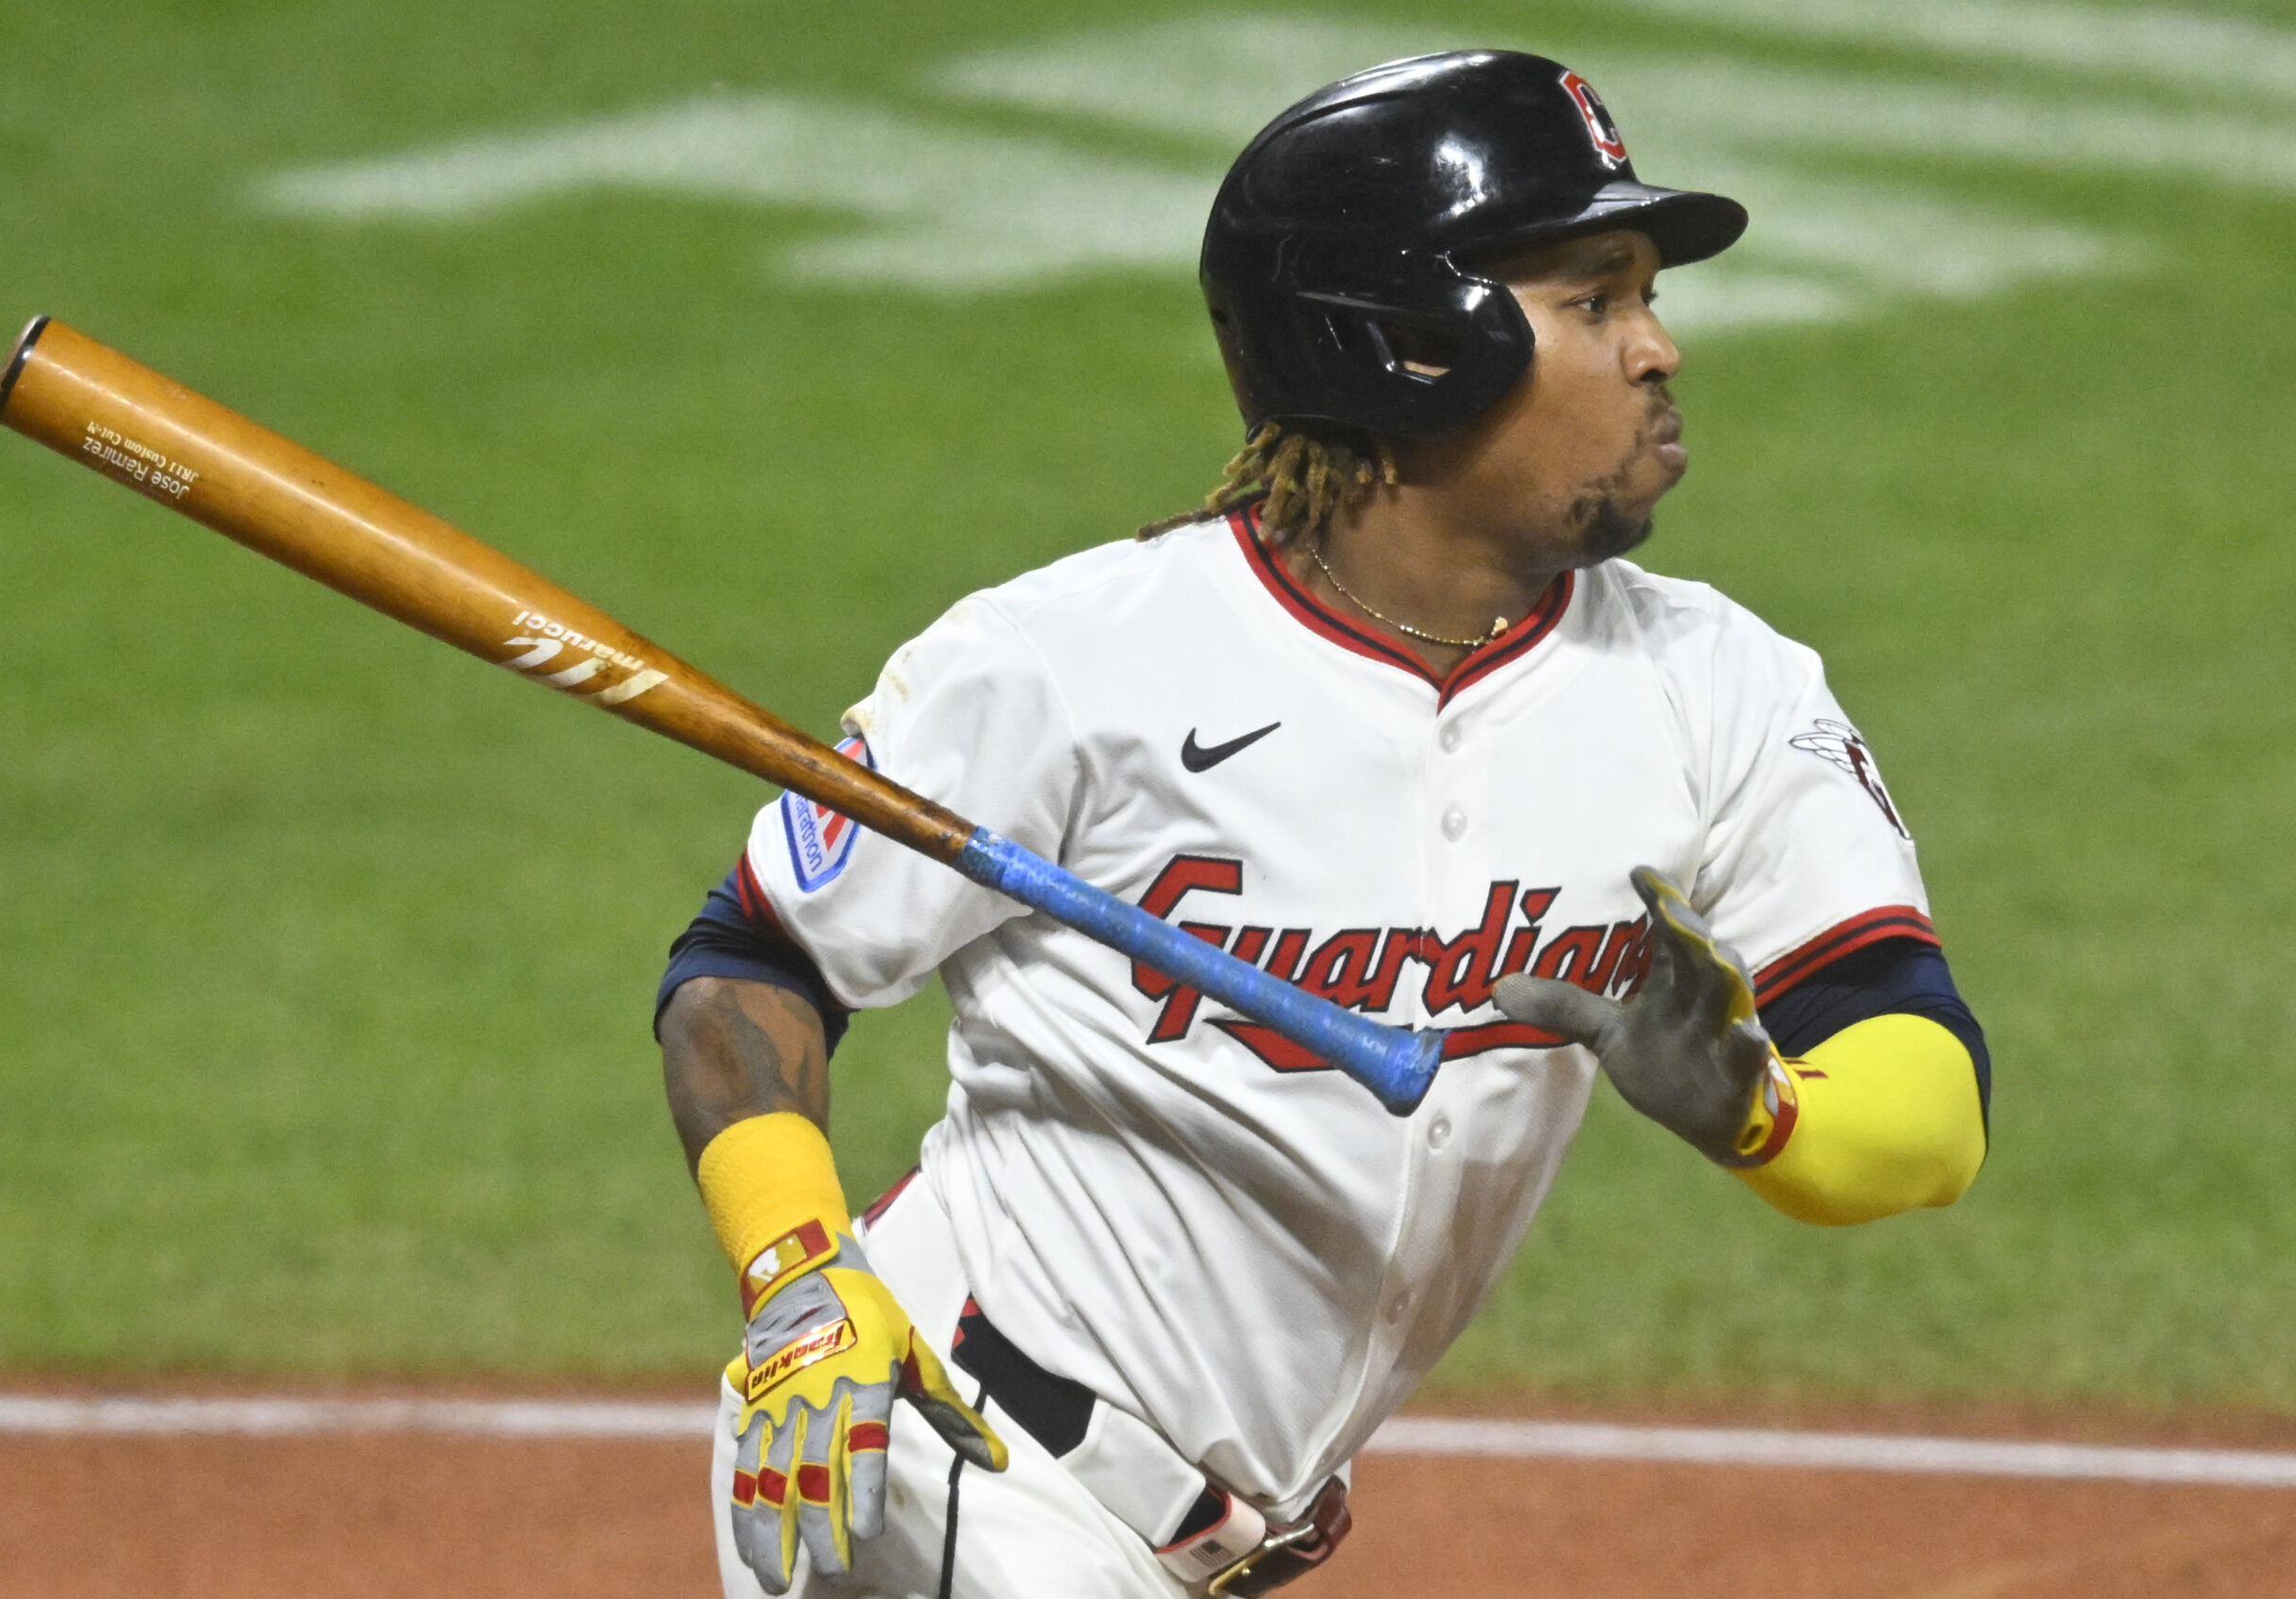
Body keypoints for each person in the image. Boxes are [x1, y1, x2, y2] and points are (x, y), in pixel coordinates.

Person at [656, 50, 1991, 1599]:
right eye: (1597, 299)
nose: (1659, 346)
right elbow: (753, 957)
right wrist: (799, 1275)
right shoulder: (1071, 662)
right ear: (1415, 347)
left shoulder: (1718, 689)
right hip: (947, 1459)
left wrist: (1757, 1107)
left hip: (1198, 1542)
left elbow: (1926, 1098)